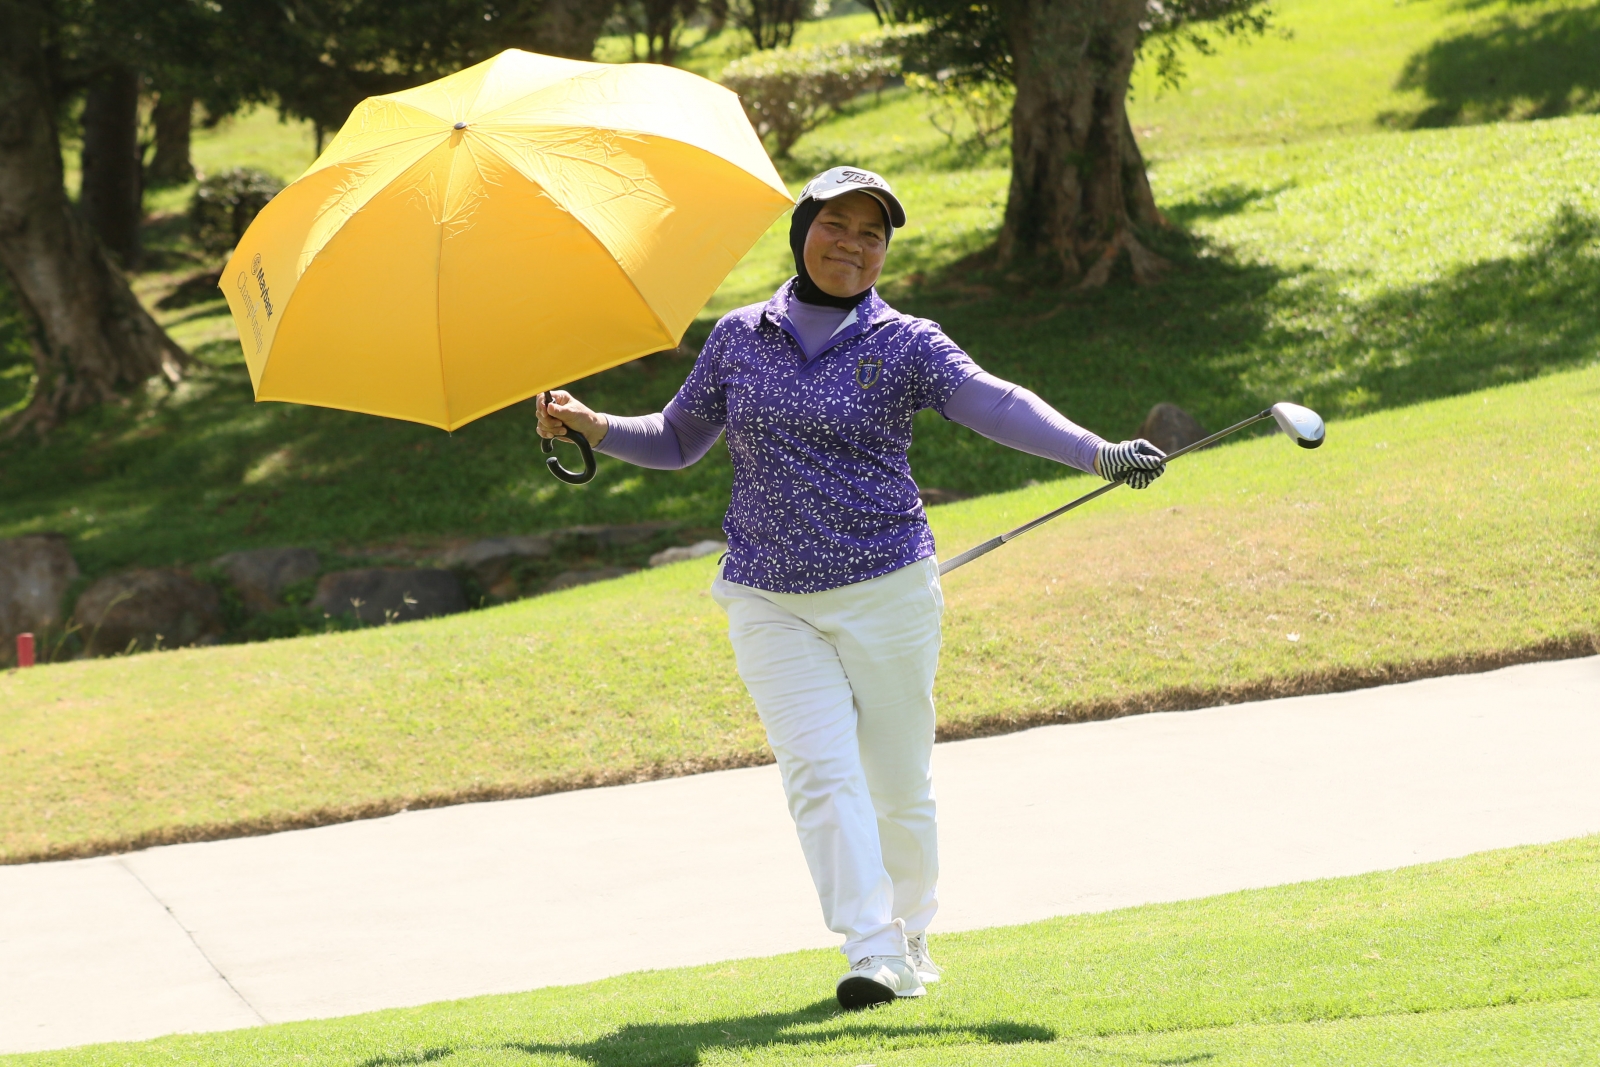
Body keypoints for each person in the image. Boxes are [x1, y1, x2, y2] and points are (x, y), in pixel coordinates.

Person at [537, 166, 1167, 1010]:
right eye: (838, 224)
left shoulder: (908, 341)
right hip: (767, 596)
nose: (854, 245)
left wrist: (1098, 451)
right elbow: (679, 438)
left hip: (887, 590)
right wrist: (594, 425)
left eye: (873, 234)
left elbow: (998, 403)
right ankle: (870, 949)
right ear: (803, 231)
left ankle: (910, 931)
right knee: (819, 773)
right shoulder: (738, 335)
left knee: (898, 783)